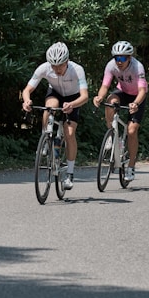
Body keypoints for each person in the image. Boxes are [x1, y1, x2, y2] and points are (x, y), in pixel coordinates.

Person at [22, 42, 89, 190]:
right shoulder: (44, 68)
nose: (57, 69)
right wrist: (26, 101)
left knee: (69, 133)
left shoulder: (77, 69)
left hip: (74, 97)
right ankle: (45, 138)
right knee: (50, 107)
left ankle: (70, 173)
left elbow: (85, 96)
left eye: (60, 66)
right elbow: (27, 89)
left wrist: (72, 104)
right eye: (53, 66)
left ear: (67, 61)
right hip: (55, 93)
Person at [92, 41, 148, 181]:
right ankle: (111, 134)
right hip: (122, 91)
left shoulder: (137, 67)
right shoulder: (111, 65)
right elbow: (105, 85)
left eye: (123, 58)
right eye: (117, 58)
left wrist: (135, 103)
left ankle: (131, 166)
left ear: (129, 57)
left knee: (131, 131)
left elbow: (142, 90)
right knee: (110, 102)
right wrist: (99, 97)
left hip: (137, 96)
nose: (119, 62)